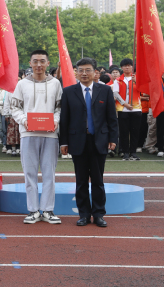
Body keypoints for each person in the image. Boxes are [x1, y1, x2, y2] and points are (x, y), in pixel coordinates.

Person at [60, 58, 118, 227]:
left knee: (98, 180)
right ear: (76, 73)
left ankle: (99, 214)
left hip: (100, 140)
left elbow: (112, 118)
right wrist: (64, 142)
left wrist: (113, 139)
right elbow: (64, 119)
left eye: (88, 70)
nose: (84, 73)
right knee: (81, 181)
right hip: (77, 141)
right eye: (81, 70)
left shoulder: (105, 91)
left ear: (95, 72)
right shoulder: (68, 92)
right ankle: (84, 214)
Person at [11, 49, 63, 224]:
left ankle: (48, 210)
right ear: (30, 63)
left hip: (50, 135)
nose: (39, 64)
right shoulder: (22, 84)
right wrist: (24, 121)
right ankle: (33, 210)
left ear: (48, 63)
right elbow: (15, 107)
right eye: (35, 61)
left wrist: (55, 120)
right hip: (28, 133)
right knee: (29, 173)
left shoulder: (55, 83)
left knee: (49, 174)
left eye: (42, 61)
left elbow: (59, 107)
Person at [112, 58, 141, 160]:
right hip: (123, 109)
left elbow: (144, 90)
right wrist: (125, 104)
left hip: (136, 108)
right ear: (122, 67)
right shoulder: (118, 80)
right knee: (124, 132)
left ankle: (133, 152)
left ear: (132, 67)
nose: (127, 67)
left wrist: (136, 82)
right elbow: (116, 93)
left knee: (135, 131)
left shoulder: (137, 78)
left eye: (129, 65)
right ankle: (125, 152)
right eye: (125, 66)